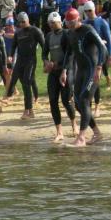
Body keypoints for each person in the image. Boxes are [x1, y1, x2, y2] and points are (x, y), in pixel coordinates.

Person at [61, 8, 105, 147]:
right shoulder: (70, 33)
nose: (69, 25)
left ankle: (81, 138)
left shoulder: (88, 30)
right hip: (81, 72)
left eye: (72, 23)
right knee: (78, 103)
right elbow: (69, 53)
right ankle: (97, 133)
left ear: (78, 19)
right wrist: (64, 71)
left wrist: (99, 68)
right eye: (67, 23)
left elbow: (102, 48)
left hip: (92, 71)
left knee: (85, 100)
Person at [42, 12, 77, 142]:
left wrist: (57, 64)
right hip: (53, 72)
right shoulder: (48, 36)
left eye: (53, 23)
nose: (51, 25)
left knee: (66, 101)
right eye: (49, 23)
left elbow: (70, 54)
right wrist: (46, 62)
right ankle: (59, 132)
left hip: (66, 71)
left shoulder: (67, 34)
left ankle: (74, 124)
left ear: (59, 22)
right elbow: (44, 53)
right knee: (53, 101)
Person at [5, 12, 44, 119]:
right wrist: (10, 56)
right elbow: (14, 46)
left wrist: (45, 60)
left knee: (27, 82)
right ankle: (10, 96)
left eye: (23, 22)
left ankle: (28, 110)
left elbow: (44, 45)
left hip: (30, 60)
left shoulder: (35, 31)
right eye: (20, 22)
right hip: (20, 60)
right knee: (15, 79)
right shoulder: (18, 33)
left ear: (28, 20)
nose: (22, 24)